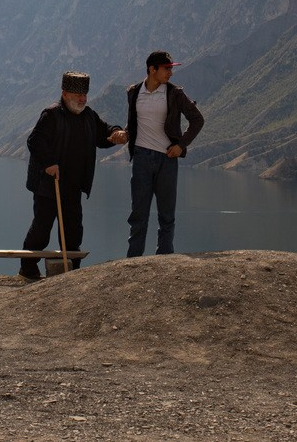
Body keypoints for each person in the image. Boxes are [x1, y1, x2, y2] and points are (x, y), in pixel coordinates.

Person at [19, 71, 128, 280]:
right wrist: (49, 162)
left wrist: (116, 132)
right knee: (41, 229)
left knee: (73, 231)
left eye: (84, 95)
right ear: (65, 93)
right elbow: (35, 140)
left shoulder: (89, 116)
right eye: (78, 95)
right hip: (48, 184)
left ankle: (72, 271)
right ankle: (28, 268)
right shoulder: (51, 115)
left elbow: (103, 133)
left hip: (73, 186)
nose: (83, 99)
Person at [124, 50, 205, 258]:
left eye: (171, 69)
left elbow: (197, 119)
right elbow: (133, 123)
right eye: (166, 68)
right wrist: (124, 133)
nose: (170, 73)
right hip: (141, 158)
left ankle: (165, 260)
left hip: (167, 159)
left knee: (166, 215)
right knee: (138, 214)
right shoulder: (134, 92)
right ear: (152, 69)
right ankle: (133, 261)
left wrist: (181, 145)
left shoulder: (175, 93)